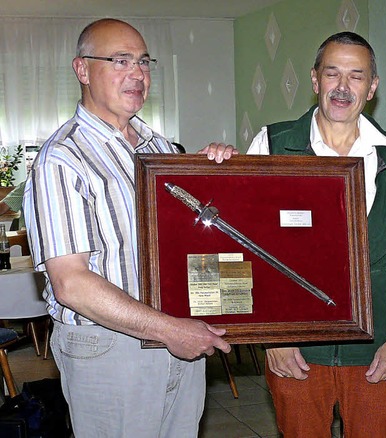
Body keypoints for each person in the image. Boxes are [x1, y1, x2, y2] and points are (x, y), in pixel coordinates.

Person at [22, 18, 235, 437]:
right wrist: (170, 329)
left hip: (178, 337)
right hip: (111, 349)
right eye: (120, 61)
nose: (137, 74)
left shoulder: (160, 149)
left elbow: (194, 243)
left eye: (143, 62)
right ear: (82, 69)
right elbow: (71, 284)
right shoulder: (62, 159)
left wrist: (221, 177)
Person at [247, 31, 386, 437]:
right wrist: (272, 338)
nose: (343, 87)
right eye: (333, 74)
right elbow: (248, 249)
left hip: (376, 349)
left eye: (356, 76)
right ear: (315, 80)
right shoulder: (272, 145)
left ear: (372, 87)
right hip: (296, 348)